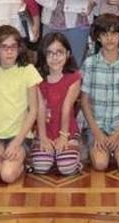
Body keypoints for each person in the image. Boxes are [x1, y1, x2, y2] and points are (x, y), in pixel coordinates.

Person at [0, 25, 42, 184]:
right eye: (4, 47)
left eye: (13, 47)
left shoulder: (28, 70)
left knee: (7, 175)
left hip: (20, 136)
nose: (9, 51)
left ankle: (22, 163)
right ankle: (1, 159)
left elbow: (34, 110)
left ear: (19, 49)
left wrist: (17, 142)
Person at [81, 14, 119, 172]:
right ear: (98, 38)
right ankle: (91, 143)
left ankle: (116, 146)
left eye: (114, 34)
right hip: (97, 125)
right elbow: (84, 101)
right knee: (101, 165)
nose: (109, 39)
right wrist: (97, 132)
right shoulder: (89, 64)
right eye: (104, 34)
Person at [30, 33, 83, 176]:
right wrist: (42, 137)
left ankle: (73, 153)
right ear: (43, 55)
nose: (55, 57)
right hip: (45, 128)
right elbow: (40, 108)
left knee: (67, 168)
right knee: (41, 167)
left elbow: (66, 108)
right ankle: (51, 153)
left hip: (67, 129)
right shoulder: (37, 77)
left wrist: (64, 136)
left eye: (59, 52)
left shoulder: (74, 77)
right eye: (50, 53)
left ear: (68, 54)